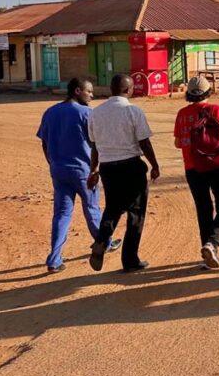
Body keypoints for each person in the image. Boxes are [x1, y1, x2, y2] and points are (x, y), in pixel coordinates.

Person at [36, 77, 121, 273]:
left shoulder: (50, 112)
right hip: (83, 170)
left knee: (61, 215)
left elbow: (44, 142)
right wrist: (96, 169)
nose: (91, 95)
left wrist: (53, 163)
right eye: (88, 91)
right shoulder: (86, 114)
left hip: (58, 170)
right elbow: (96, 145)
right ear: (77, 91)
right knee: (92, 208)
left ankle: (54, 259)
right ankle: (104, 243)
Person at [87, 74, 161, 273]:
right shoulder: (133, 111)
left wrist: (93, 170)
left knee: (112, 208)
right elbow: (144, 142)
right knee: (136, 213)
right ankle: (130, 260)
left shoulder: (96, 113)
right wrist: (154, 164)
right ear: (128, 89)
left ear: (111, 89)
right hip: (131, 167)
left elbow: (94, 146)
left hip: (108, 168)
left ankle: (101, 240)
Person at [174, 76, 219, 270]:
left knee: (203, 208)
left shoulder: (182, 114)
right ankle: (213, 243)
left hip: (193, 168)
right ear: (208, 92)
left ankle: (207, 253)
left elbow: (177, 143)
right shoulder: (215, 110)